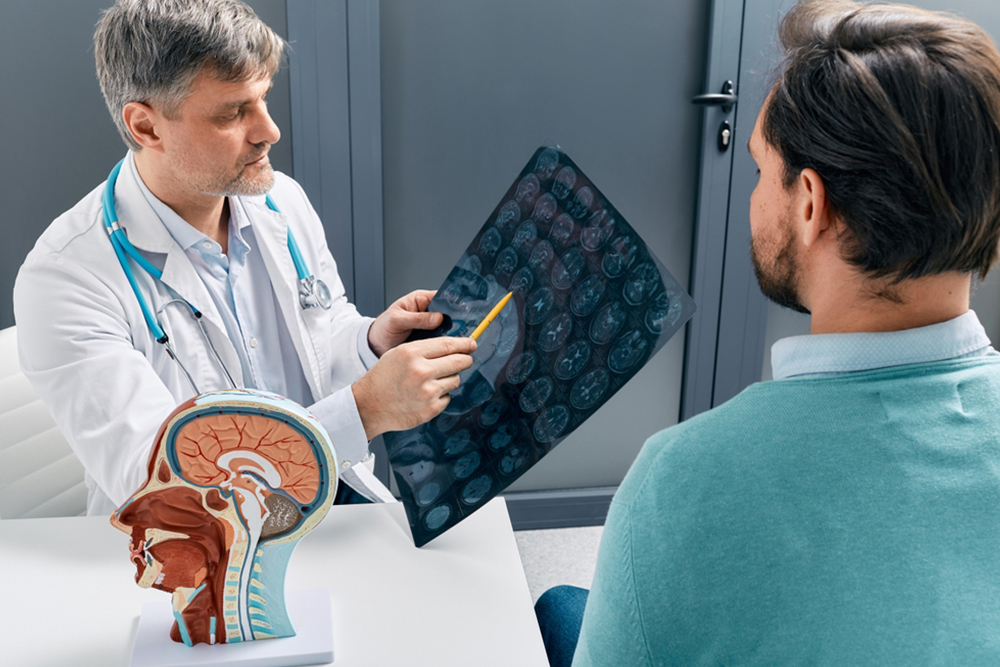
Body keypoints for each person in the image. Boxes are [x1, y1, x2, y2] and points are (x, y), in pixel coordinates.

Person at [535, 1, 1000, 665]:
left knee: (558, 605)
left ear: (810, 204)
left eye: (759, 170)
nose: (754, 198)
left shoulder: (682, 482)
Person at [13, 0, 476, 515]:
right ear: (146, 127)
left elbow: (322, 337)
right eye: (233, 112)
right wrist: (364, 411)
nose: (269, 130)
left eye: (263, 99)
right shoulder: (66, 279)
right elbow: (162, 487)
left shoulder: (281, 202)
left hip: (324, 503)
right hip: (199, 552)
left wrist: (372, 342)